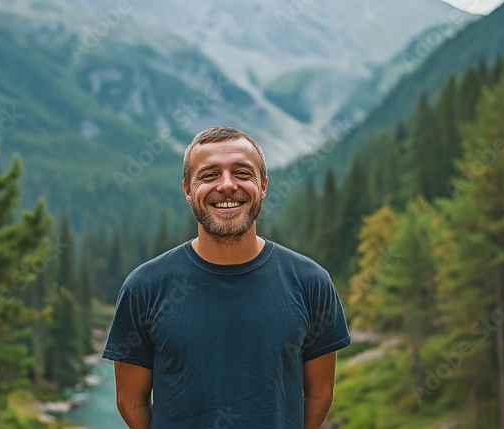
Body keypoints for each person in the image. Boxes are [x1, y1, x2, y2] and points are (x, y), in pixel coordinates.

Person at [102, 125, 351, 429]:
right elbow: (130, 400)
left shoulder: (311, 283)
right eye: (209, 175)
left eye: (242, 173)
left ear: (263, 186)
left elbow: (320, 393)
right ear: (188, 190)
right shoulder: (144, 287)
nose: (227, 186)